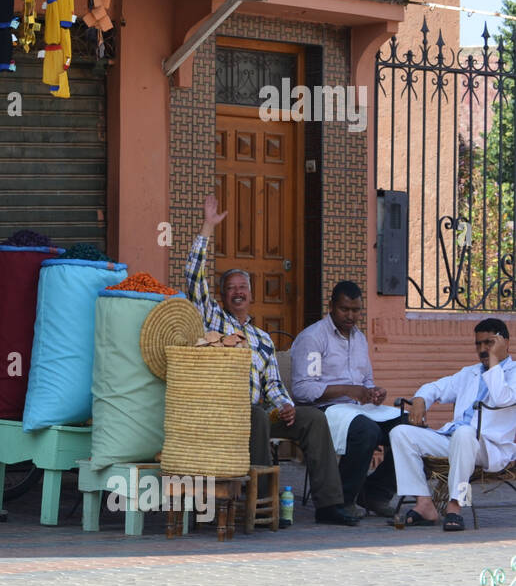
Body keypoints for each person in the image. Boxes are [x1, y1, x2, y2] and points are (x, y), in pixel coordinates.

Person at [187, 194, 358, 526]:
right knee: (257, 415)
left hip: (261, 413)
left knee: (311, 419)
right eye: (231, 288)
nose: (238, 292)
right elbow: (194, 279)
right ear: (223, 296)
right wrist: (207, 227)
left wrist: (285, 405)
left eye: (243, 287)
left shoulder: (263, 339)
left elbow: (275, 386)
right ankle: (264, 506)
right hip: (225, 412)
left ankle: (329, 505)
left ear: (251, 295)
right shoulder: (212, 319)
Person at [389, 318, 516, 531]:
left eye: (489, 343)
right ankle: (424, 504)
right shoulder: (470, 372)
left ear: (505, 344)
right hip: (455, 439)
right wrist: (421, 399)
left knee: (465, 433)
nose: (483, 349)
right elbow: (437, 387)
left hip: (490, 448)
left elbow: (502, 397)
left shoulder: (513, 373)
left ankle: (456, 506)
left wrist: (495, 362)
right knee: (400, 433)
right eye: (478, 344)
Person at [290, 281, 400, 519]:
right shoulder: (314, 338)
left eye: (356, 310)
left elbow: (366, 380)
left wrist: (374, 392)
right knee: (367, 431)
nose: (351, 316)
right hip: (325, 409)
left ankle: (375, 492)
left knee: (407, 427)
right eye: (344, 309)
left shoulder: (359, 339)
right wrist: (349, 390)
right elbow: (303, 390)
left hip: (357, 408)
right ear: (331, 306)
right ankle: (341, 501)